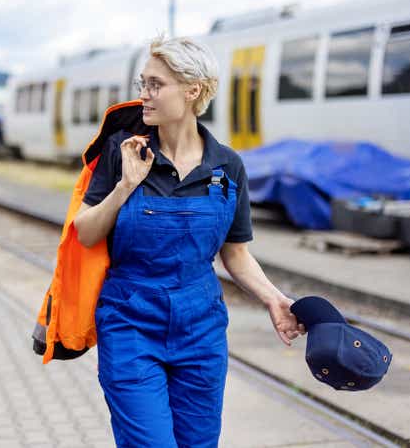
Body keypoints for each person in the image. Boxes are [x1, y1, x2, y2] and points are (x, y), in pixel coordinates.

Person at [72, 36, 305, 447]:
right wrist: (127, 185)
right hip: (130, 324)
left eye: (155, 84)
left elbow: (235, 254)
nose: (143, 94)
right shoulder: (123, 151)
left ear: (192, 90)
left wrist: (274, 298)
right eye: (142, 83)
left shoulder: (227, 165)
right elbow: (85, 231)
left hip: (201, 331)